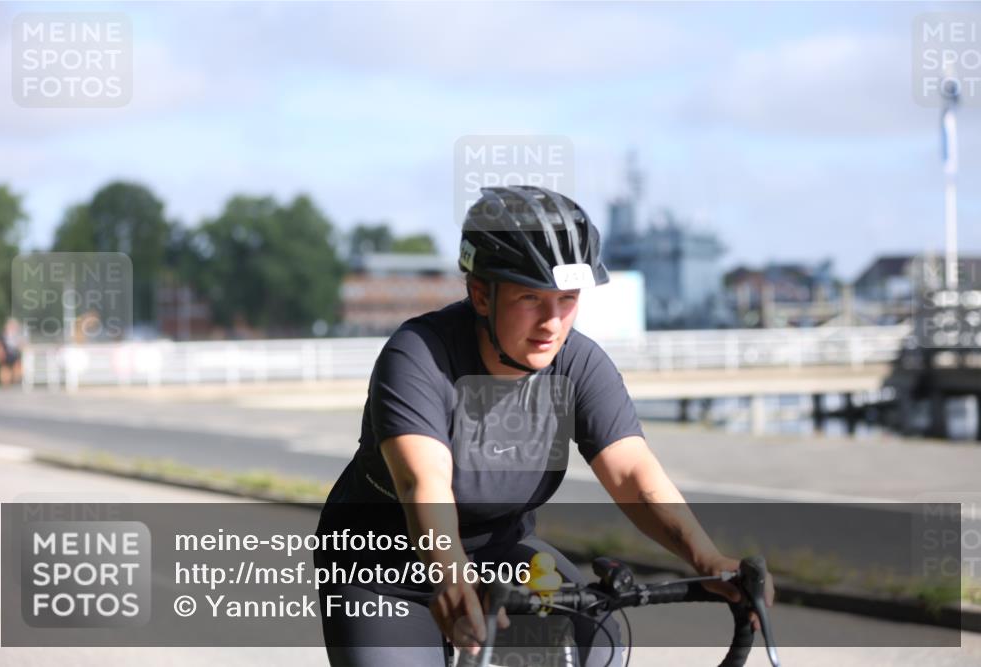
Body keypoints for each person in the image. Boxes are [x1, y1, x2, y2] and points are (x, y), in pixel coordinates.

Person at [314, 186, 773, 666]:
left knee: (599, 645)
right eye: (531, 298)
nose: (552, 323)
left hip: (502, 554)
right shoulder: (419, 357)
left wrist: (706, 560)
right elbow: (423, 484)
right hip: (383, 566)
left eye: (567, 300)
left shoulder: (578, 365)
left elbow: (632, 473)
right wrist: (451, 578)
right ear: (480, 295)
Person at [0, 317, 24, 386]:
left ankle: (15, 381)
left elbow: (21, 346)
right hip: (5, 355)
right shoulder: (1, 335)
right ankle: (6, 383)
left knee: (19, 366)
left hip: (16, 355)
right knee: (5, 368)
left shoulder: (17, 336)